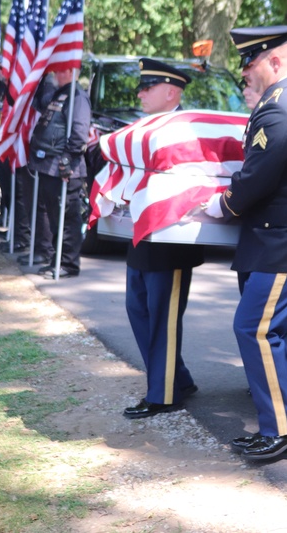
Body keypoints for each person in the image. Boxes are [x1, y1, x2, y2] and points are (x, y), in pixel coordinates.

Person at [203, 25, 287, 460]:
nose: (245, 72)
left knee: (256, 329)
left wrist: (221, 206)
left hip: (284, 242)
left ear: (275, 62)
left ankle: (281, 429)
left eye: (251, 63)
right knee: (274, 331)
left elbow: (255, 179)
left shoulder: (279, 109)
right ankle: (281, 423)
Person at [122, 59, 206, 419]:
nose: (140, 93)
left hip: (170, 240)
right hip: (142, 234)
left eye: (148, 87)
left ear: (171, 91)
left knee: (162, 317)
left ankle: (164, 393)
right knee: (137, 308)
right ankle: (178, 378)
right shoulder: (141, 127)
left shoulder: (186, 130)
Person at [27, 67, 92, 279]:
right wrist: (41, 76)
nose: (58, 73)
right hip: (49, 165)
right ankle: (57, 260)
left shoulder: (77, 97)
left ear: (73, 70)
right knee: (56, 219)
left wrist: (67, 162)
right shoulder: (60, 93)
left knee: (68, 219)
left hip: (64, 168)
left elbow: (79, 133)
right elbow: (39, 103)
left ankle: (69, 264)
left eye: (62, 69)